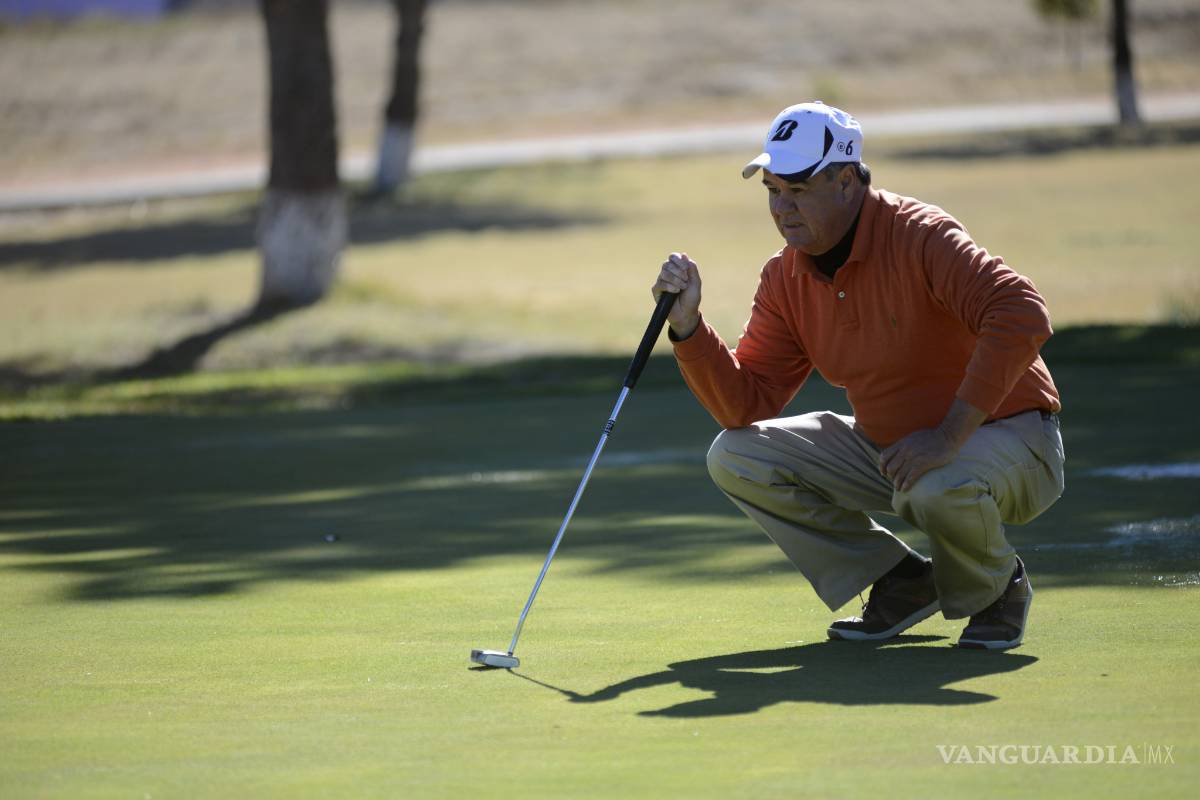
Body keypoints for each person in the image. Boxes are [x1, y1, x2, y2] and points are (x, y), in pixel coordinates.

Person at [652, 102, 1065, 650]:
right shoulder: (785, 277)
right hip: (895, 452)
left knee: (935, 484)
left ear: (847, 181)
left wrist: (947, 437)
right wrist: (688, 328)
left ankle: (997, 591)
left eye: (798, 190)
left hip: (1013, 441)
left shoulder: (920, 235)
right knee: (737, 456)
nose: (782, 208)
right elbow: (745, 405)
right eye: (773, 190)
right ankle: (900, 579)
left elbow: (1021, 312)